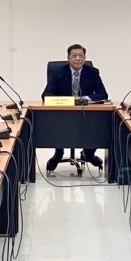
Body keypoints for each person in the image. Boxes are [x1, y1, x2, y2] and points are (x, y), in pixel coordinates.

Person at [41, 43, 108, 174]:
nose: (78, 58)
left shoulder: (92, 72)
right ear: (68, 58)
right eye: (74, 56)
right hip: (63, 114)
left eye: (81, 56)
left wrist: (85, 99)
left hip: (86, 114)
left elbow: (103, 94)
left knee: (98, 124)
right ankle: (58, 153)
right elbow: (46, 94)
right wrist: (65, 101)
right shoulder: (58, 72)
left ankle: (88, 154)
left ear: (85, 58)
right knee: (58, 123)